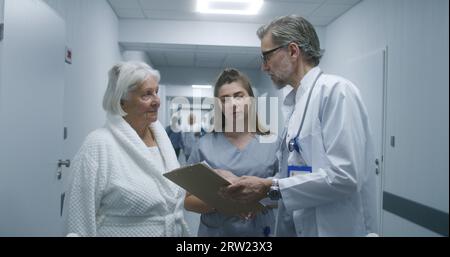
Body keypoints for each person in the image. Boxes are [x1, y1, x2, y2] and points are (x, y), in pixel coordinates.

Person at [220, 15, 378, 237]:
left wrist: (270, 186)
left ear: (293, 51)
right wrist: (254, 193)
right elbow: (296, 176)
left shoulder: (336, 92)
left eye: (266, 57)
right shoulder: (296, 103)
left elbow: (345, 176)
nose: (264, 67)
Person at [65, 61, 190, 237]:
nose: (156, 101)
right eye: (146, 94)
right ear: (122, 101)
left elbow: (168, 189)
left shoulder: (161, 138)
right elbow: (79, 221)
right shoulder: (98, 145)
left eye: (156, 92)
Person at [184, 68, 280, 237]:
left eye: (238, 95)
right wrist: (222, 202)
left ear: (250, 99)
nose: (232, 104)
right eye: (224, 99)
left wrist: (257, 196)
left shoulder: (272, 143)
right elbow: (187, 201)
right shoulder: (203, 146)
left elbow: (288, 190)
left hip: (261, 232)